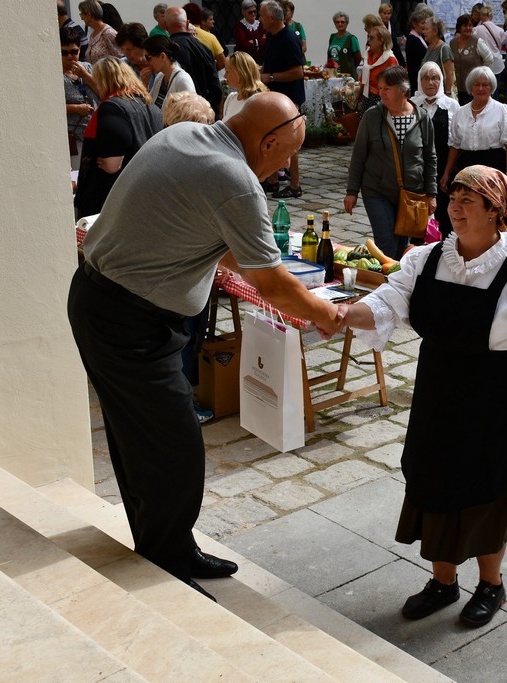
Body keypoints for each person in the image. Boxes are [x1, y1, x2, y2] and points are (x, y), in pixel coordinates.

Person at [69, 92, 342, 600]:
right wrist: (326, 314)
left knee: (142, 442)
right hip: (128, 320)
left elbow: (231, 247)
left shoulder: (184, 135)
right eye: (287, 154)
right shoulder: (234, 179)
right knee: (174, 450)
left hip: (105, 303)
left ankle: (169, 547)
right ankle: (166, 563)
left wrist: (271, 267)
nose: (286, 168)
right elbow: (271, 283)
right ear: (268, 142)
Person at [339, 164, 507, 629]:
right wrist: (342, 313)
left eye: (468, 201)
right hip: (439, 393)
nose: (455, 208)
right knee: (433, 483)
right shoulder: (427, 259)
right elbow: (385, 304)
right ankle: (443, 583)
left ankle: (491, 585)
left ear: (495, 211)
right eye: (453, 199)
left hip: (500, 402)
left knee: (488, 492)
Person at [345, 66, 437, 260]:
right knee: (386, 243)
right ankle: (385, 277)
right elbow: (359, 155)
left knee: (402, 248)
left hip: (411, 194)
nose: (381, 93)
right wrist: (352, 191)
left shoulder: (421, 118)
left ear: (403, 90)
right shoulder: (372, 116)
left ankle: (397, 277)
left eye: (387, 88)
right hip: (377, 191)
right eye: (380, 88)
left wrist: (431, 194)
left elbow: (430, 158)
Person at [74, 58, 162, 219]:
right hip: (144, 189)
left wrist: (110, 163)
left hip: (110, 196)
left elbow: (112, 162)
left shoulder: (112, 107)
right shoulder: (151, 106)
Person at [441, 66, 507, 192]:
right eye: (476, 84)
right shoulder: (460, 113)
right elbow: (455, 146)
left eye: (485, 85)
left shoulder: (503, 110)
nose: (481, 88)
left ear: (491, 87)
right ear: (470, 87)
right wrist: (447, 173)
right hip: (466, 168)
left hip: (493, 167)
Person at [259, 0, 305, 198]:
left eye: (262, 16)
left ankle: (295, 185)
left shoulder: (289, 38)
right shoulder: (272, 36)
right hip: (274, 95)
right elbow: (269, 63)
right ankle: (272, 181)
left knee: (289, 141)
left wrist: (269, 77)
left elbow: (298, 72)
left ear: (271, 18)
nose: (259, 20)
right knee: (270, 137)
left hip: (289, 98)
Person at [413, 61, 461, 238]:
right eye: (426, 78)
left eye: (435, 78)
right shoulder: (412, 105)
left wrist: (447, 172)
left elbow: (456, 142)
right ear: (420, 81)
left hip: (443, 167)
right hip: (418, 168)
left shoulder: (451, 105)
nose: (431, 82)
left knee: (444, 212)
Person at [166, 6, 222, 117]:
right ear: (187, 23)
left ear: (166, 26)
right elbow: (215, 86)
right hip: (203, 111)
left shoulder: (165, 51)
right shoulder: (204, 49)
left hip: (177, 113)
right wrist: (213, 111)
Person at [62, 26, 100, 171]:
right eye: (64, 53)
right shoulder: (56, 75)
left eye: (74, 52)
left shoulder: (87, 68)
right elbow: (51, 108)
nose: (70, 57)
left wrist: (85, 76)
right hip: (75, 136)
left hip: (96, 133)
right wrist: (75, 108)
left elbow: (103, 93)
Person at [143, 35, 195, 112]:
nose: (146, 62)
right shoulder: (160, 76)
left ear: (163, 56)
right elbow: (149, 105)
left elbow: (190, 113)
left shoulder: (183, 80)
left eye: (148, 58)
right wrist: (145, 84)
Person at [451, 14, 494, 106]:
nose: (468, 28)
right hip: (457, 88)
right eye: (465, 25)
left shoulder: (477, 42)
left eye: (470, 25)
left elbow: (489, 59)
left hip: (473, 87)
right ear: (459, 27)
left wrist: (480, 71)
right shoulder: (452, 43)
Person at [358, 25, 401, 114]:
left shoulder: (390, 59)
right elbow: (363, 78)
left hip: (382, 100)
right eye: (368, 37)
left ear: (381, 41)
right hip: (366, 97)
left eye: (371, 38)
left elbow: (395, 85)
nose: (368, 41)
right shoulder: (368, 55)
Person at [223, 51, 268, 120]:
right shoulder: (230, 98)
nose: (225, 76)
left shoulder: (259, 102)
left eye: (227, 71)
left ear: (240, 73)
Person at [473, 4, 506, 93]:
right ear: (491, 16)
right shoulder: (500, 30)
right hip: (497, 63)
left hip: (484, 63)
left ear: (481, 16)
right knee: (495, 90)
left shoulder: (476, 30)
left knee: (484, 91)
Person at [184, 3, 226, 70]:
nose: (213, 21)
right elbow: (222, 62)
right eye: (210, 19)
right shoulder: (211, 37)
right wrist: (211, 70)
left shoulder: (179, 37)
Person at [422, 17, 456, 99]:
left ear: (435, 31)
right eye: (423, 29)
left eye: (426, 29)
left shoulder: (444, 48)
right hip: (430, 94)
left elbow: (449, 74)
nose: (424, 32)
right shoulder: (429, 48)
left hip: (442, 95)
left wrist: (447, 94)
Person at [328, 12, 362, 79]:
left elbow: (358, 58)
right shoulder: (332, 37)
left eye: (342, 22)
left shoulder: (352, 38)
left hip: (348, 77)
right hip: (334, 76)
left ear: (347, 23)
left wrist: (350, 67)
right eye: (337, 22)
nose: (340, 24)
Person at [405, 7, 433, 87]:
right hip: (416, 77)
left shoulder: (419, 37)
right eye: (422, 23)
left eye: (425, 23)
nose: (424, 26)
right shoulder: (413, 39)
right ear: (414, 24)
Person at [233, 0, 266, 65]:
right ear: (243, 12)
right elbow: (244, 46)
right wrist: (260, 43)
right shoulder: (239, 26)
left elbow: (266, 41)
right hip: (245, 60)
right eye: (250, 12)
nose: (253, 14)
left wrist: (254, 42)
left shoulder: (261, 24)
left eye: (255, 11)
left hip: (261, 59)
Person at [380, 3, 406, 67]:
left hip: (393, 54)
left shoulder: (391, 26)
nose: (387, 15)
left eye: (388, 13)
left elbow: (394, 42)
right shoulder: (377, 27)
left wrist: (399, 42)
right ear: (380, 13)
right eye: (384, 13)